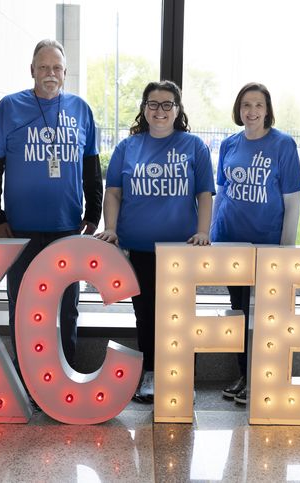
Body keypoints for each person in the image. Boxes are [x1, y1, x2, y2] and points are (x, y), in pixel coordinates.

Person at [0, 39, 102, 380]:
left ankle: (67, 374)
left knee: (67, 306)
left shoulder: (81, 109)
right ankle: (25, 377)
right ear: (32, 70)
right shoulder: (9, 107)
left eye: (57, 68)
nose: (51, 73)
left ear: (65, 73)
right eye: (44, 67)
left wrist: (93, 213)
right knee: (23, 305)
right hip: (20, 228)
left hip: (67, 227)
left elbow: (91, 167)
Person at [95, 80, 215, 402]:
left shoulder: (194, 146)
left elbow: (205, 194)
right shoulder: (127, 147)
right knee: (146, 314)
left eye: (166, 104)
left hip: (182, 251)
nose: (159, 111)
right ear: (144, 109)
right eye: (153, 104)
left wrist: (204, 232)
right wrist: (111, 228)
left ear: (177, 110)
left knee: (181, 316)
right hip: (141, 249)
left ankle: (180, 377)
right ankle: (149, 373)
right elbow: (114, 193)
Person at [210, 82, 300, 405]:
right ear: (239, 109)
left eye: (258, 105)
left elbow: (292, 202)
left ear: (268, 110)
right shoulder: (228, 145)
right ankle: (244, 376)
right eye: (246, 105)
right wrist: (210, 234)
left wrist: (286, 249)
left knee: (265, 316)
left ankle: (260, 379)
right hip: (230, 240)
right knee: (238, 314)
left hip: (267, 246)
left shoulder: (283, 146)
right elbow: (221, 194)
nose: (251, 111)